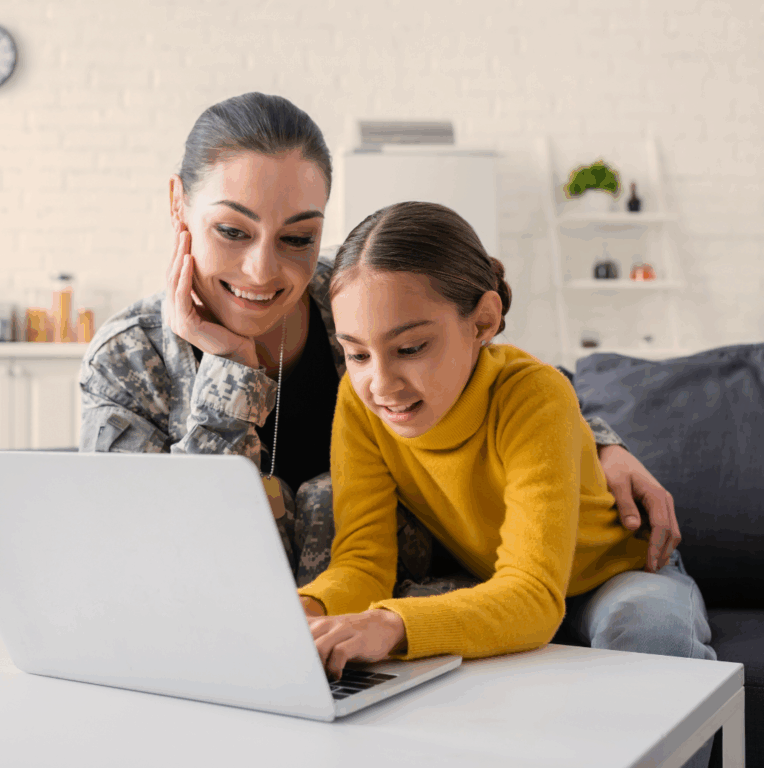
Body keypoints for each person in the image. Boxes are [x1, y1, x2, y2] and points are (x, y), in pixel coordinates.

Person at [77, 91, 681, 591]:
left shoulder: (355, 298)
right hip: (227, 630)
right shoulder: (127, 362)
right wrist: (231, 370)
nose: (263, 271)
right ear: (179, 204)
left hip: (405, 615)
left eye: (297, 238)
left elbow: (490, 372)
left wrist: (600, 445)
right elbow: (153, 554)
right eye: (232, 230)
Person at [296, 201, 715, 768]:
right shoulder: (359, 402)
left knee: (644, 628)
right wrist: (302, 610)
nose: (381, 382)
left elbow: (535, 597)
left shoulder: (532, 394)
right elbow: (364, 563)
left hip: (617, 572)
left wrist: (390, 625)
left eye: (411, 348)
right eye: (357, 353)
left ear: (483, 321)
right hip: (515, 587)